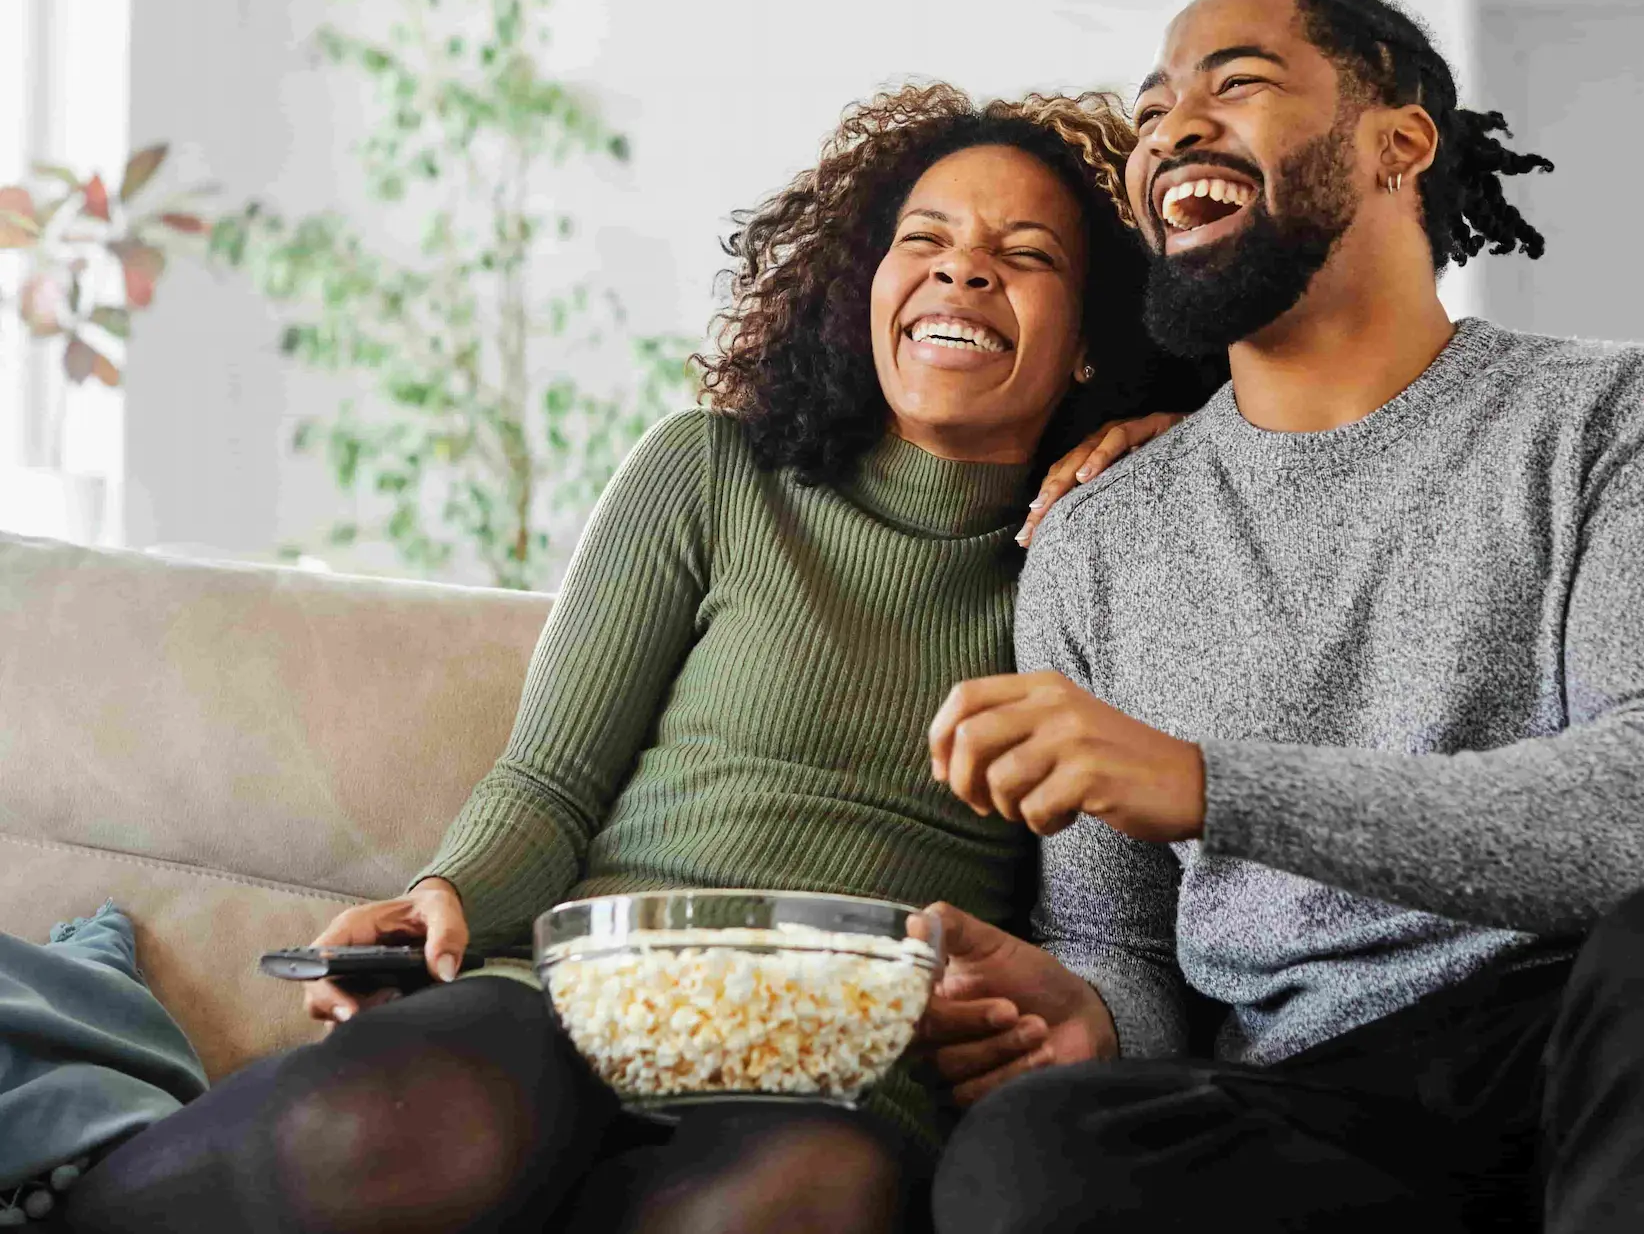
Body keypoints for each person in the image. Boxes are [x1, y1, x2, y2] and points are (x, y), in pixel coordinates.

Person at [61, 83, 1218, 1234]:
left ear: (1090, 346)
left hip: (843, 1075)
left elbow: (1109, 939)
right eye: (926, 240)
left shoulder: (1103, 573)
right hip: (583, 998)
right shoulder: (711, 472)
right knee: (413, 1133)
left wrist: (1186, 444)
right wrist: (444, 895)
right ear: (865, 289)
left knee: (794, 1204)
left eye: (1026, 255)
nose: (963, 271)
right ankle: (70, 1195)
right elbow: (551, 784)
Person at [917, 0, 1644, 1233]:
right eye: (1153, 110)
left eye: (1239, 79)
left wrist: (1217, 784)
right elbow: (1131, 943)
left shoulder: (1610, 416)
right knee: (1031, 1153)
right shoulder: (1096, 540)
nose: (1170, 129)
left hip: (1617, 1050)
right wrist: (1086, 1009)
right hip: (1311, 1113)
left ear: (1399, 142)